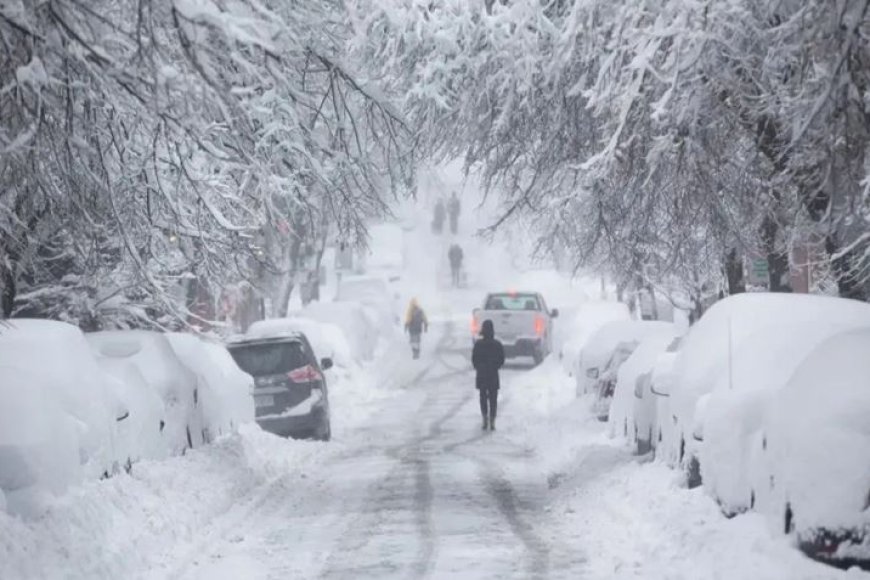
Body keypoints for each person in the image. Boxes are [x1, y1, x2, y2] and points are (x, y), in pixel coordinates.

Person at [472, 319, 505, 431]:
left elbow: (474, 359)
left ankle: (484, 417)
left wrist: (479, 367)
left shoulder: (478, 344)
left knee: (483, 397)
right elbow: (502, 359)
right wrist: (495, 366)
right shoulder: (497, 344)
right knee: (493, 398)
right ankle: (492, 419)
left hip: (481, 374)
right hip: (493, 375)